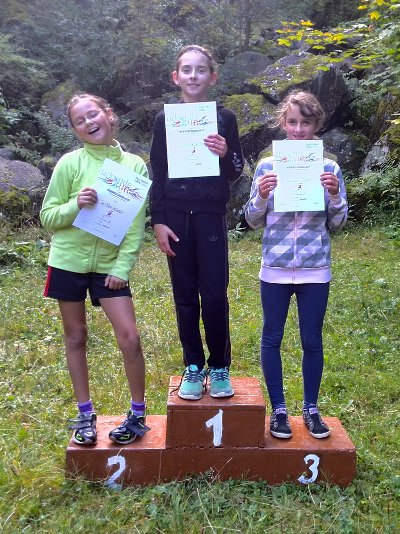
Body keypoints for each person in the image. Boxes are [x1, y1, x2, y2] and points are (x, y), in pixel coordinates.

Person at [40, 93, 150, 446]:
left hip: (109, 266)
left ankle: (137, 414)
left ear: (108, 114)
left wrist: (122, 267)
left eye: (93, 114)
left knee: (130, 338)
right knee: (75, 336)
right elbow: (48, 217)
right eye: (79, 121)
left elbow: (135, 226)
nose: (88, 122)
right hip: (68, 262)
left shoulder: (134, 165)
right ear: (75, 130)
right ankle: (85, 414)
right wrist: (76, 204)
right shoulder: (69, 164)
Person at [245, 90, 348, 439]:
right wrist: (261, 194)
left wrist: (334, 195)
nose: (299, 129)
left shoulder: (330, 168)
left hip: (315, 268)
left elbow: (338, 223)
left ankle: (311, 409)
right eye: (292, 122)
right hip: (274, 267)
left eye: (306, 122)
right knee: (271, 337)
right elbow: (253, 220)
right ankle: (279, 411)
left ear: (317, 124)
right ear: (283, 123)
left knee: (312, 340)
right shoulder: (267, 166)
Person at [150, 45, 244, 400]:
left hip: (210, 217)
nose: (193, 75)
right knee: (185, 295)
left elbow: (235, 171)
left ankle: (219, 365)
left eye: (201, 70)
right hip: (175, 218)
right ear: (176, 77)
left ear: (212, 77)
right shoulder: (165, 119)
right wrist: (158, 220)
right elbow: (158, 172)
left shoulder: (225, 118)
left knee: (215, 294)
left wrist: (225, 153)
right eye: (186, 70)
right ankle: (193, 365)